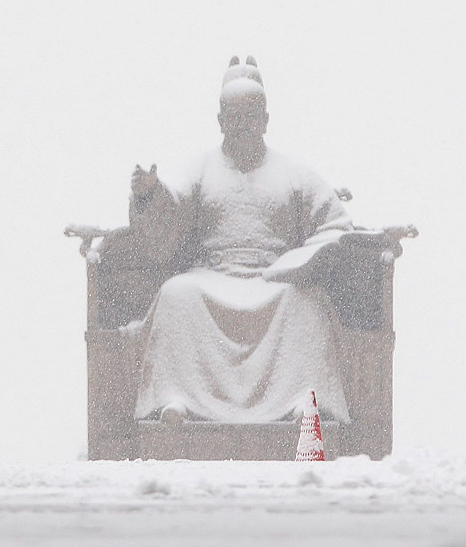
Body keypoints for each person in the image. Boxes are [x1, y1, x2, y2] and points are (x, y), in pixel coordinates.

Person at [126, 57, 355, 424]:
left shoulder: (294, 173)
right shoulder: (201, 168)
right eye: (234, 117)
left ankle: (302, 399)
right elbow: (168, 218)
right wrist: (148, 195)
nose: (243, 126)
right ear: (220, 122)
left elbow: (336, 225)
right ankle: (176, 399)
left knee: (308, 303)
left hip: (274, 281)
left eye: (251, 117)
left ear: (265, 120)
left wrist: (299, 262)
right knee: (175, 294)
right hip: (213, 278)